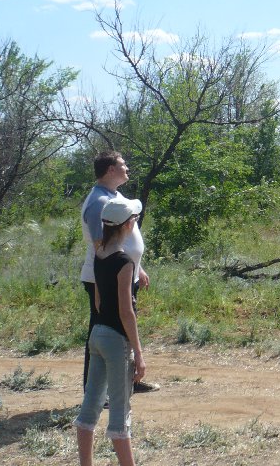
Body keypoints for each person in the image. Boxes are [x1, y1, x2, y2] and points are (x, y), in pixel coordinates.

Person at [74, 195, 147, 466]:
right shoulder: (124, 262)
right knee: (120, 414)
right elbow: (126, 311)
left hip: (97, 334)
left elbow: (98, 301)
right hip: (117, 341)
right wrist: (138, 352)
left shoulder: (99, 254)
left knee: (89, 409)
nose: (135, 221)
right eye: (134, 218)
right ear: (127, 225)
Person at [80, 151, 157, 394]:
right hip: (107, 278)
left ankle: (130, 380)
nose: (127, 168)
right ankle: (95, 391)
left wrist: (137, 266)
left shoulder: (113, 195)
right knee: (103, 331)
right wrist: (114, 276)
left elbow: (122, 240)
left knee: (124, 330)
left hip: (123, 273)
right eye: (123, 165)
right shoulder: (98, 202)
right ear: (111, 170)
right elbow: (101, 246)